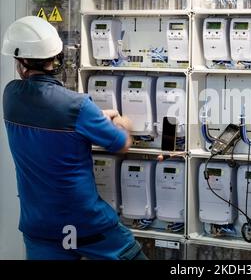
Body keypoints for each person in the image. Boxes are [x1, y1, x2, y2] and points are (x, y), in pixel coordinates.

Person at [1, 16, 147, 260]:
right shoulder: (78, 106)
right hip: (86, 224)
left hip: (40, 227)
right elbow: (121, 144)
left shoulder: (11, 97)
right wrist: (123, 124)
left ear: (21, 63)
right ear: (56, 57)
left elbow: (49, 114)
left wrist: (93, 117)